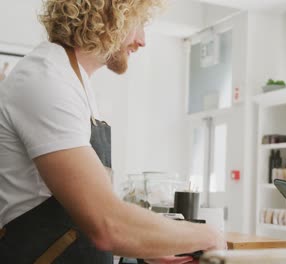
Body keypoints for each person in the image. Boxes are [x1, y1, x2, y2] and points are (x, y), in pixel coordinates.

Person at [0, 0, 225, 263]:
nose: (142, 40)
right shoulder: (46, 81)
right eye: (138, 22)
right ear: (109, 15)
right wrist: (209, 235)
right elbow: (106, 223)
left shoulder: (70, 80)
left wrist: (146, 244)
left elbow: (75, 220)